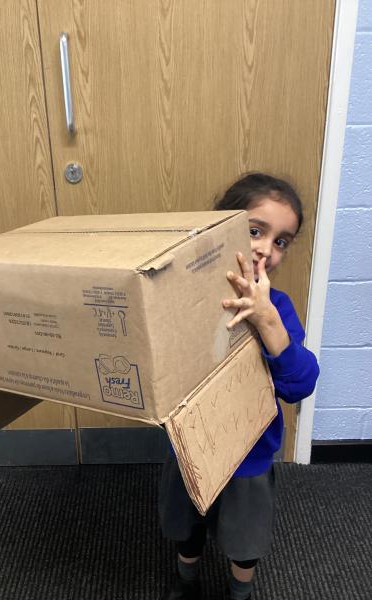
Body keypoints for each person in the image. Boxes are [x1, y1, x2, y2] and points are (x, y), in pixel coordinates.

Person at [159, 172, 320, 600]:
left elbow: (301, 383)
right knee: (185, 526)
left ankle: (240, 592)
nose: (266, 248)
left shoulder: (278, 309)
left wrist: (267, 321)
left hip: (249, 454)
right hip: (192, 445)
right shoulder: (187, 297)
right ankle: (186, 581)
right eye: (254, 231)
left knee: (245, 542)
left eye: (281, 241)